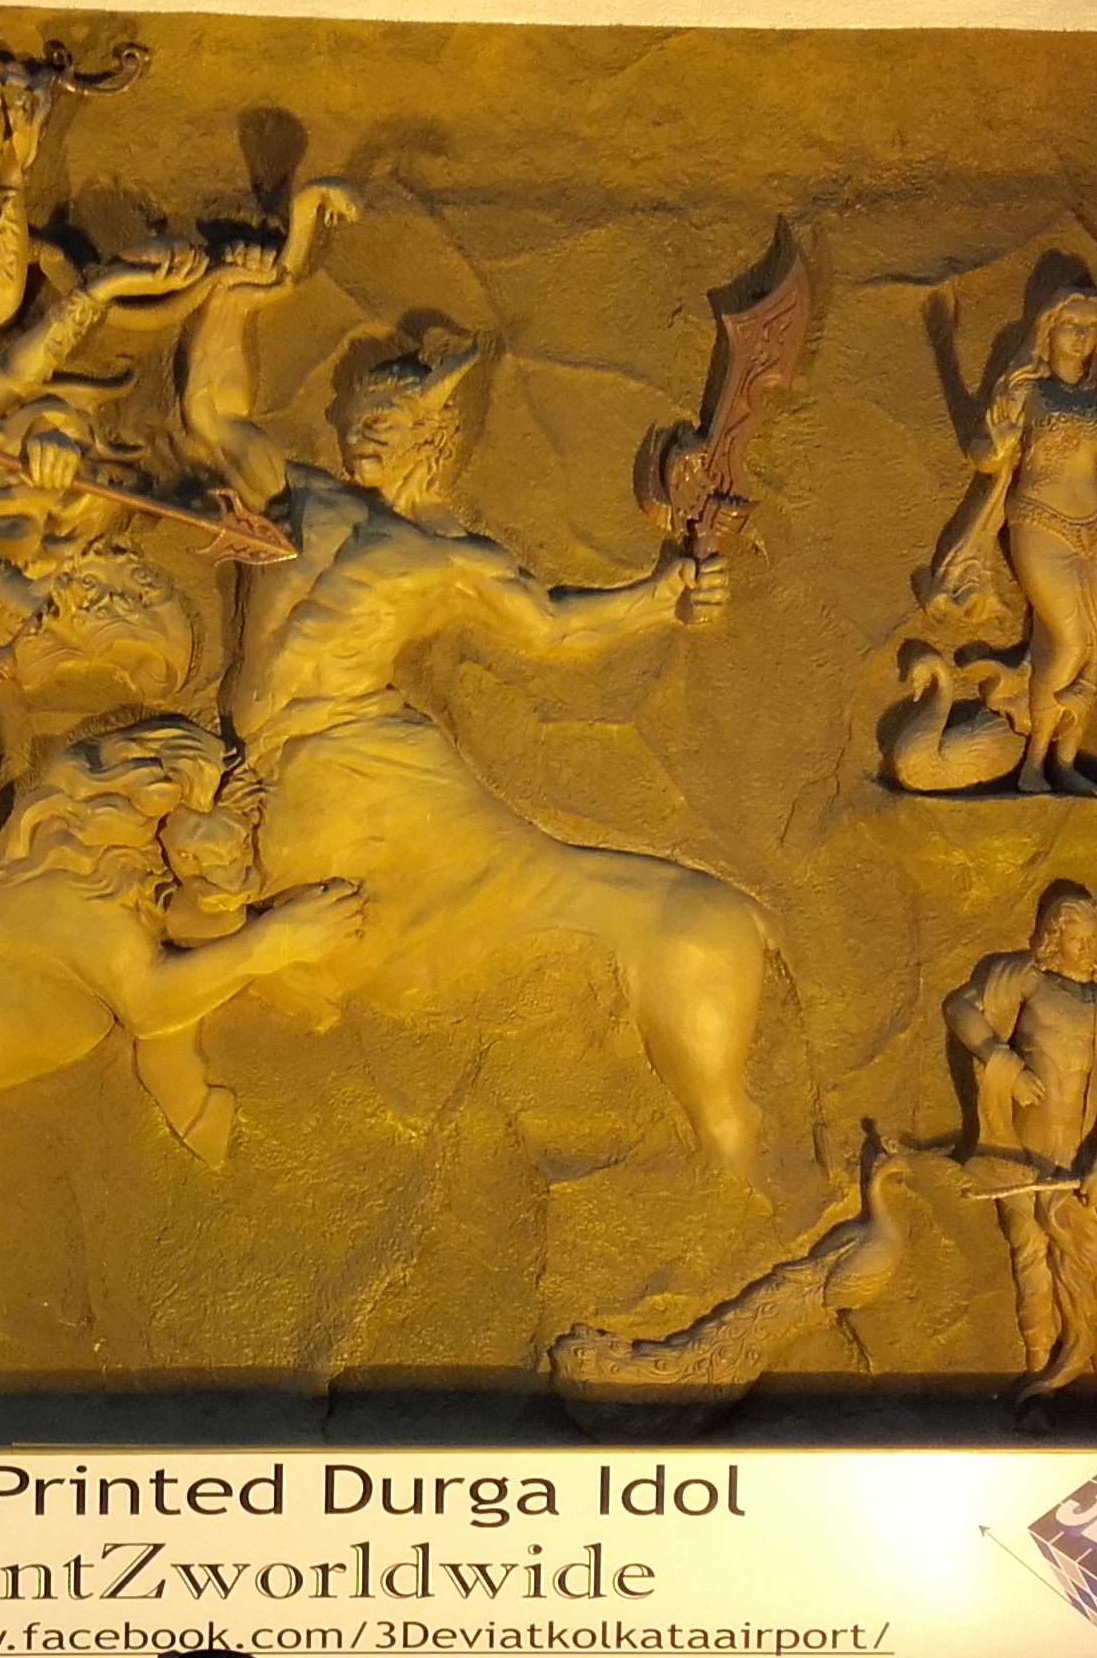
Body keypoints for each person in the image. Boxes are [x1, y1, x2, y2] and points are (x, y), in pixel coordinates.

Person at [197, 249, 814, 1210]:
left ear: (432, 435)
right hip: (271, 754)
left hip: (359, 749)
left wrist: (660, 598)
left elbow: (555, 626)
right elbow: (213, 415)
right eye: (359, 420)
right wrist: (229, 298)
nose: (366, 434)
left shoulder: (450, 556)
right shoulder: (297, 495)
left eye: (390, 421)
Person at [921, 287, 1097, 796]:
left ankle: (1065, 762)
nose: (1081, 337)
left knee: (1094, 647)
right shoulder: (1026, 389)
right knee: (1068, 642)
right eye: (1071, 326)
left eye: (1090, 329)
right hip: (1041, 521)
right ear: (1049, 329)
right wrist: (996, 445)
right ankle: (1034, 761)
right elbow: (985, 455)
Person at [943, 882, 1097, 1410]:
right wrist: (1006, 1066)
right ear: (1054, 939)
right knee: (1030, 1268)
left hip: (1079, 1165)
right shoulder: (1026, 979)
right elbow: (960, 1009)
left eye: (1092, 939)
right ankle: (1037, 1400)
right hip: (1017, 1158)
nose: (1084, 948)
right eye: (1074, 938)